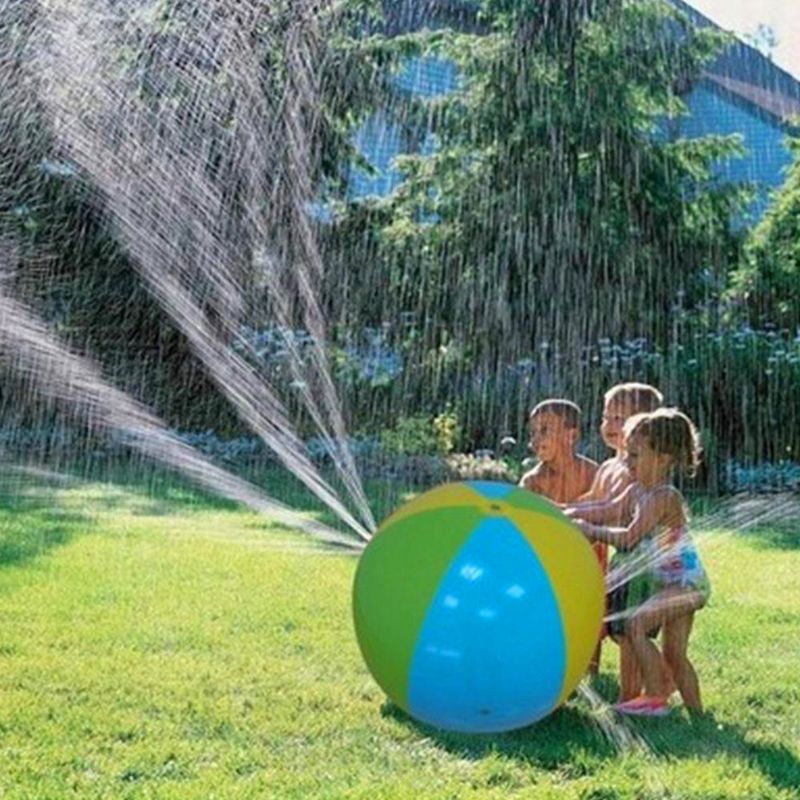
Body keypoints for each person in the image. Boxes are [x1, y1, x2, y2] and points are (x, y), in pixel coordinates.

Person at [570, 409, 710, 716]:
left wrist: (589, 530)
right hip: (669, 583)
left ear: (662, 458)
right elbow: (607, 508)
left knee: (636, 624)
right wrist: (570, 513)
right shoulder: (637, 489)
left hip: (685, 585)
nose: (627, 462)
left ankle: (655, 699)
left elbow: (629, 538)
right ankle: (699, 717)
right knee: (674, 654)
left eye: (634, 455)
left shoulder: (663, 497)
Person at [565, 382, 664, 686]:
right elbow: (593, 501)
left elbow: (611, 510)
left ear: (645, 425)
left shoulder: (636, 471)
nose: (609, 425)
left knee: (628, 633)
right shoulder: (609, 465)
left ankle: (634, 693)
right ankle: (654, 681)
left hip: (642, 565)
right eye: (606, 417)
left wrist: (581, 521)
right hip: (623, 562)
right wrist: (563, 508)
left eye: (619, 419)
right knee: (619, 630)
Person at [519, 399, 597, 504]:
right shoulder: (533, 481)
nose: (535, 440)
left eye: (544, 430)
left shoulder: (592, 473)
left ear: (571, 436)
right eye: (533, 432)